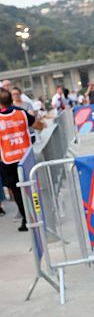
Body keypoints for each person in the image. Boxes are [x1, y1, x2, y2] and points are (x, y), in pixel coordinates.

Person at [0, 88, 45, 231]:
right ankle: (39, 216)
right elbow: (38, 125)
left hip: (8, 160)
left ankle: (26, 219)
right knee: (31, 187)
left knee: (16, 191)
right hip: (26, 158)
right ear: (11, 100)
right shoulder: (21, 113)